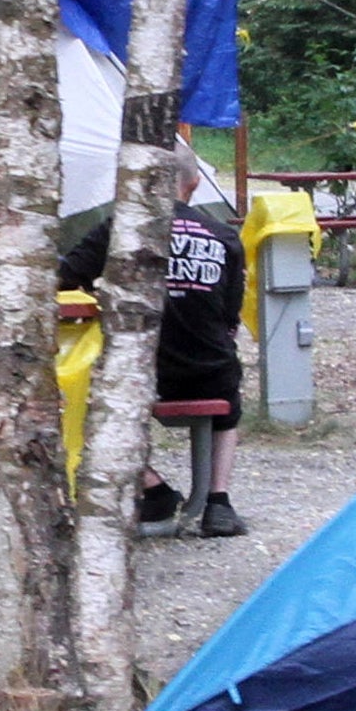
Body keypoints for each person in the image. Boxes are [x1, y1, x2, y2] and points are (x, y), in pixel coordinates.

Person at [56, 161, 249, 537]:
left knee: (83, 395)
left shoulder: (121, 229)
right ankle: (218, 501)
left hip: (142, 368)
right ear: (193, 184)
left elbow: (65, 275)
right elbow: (229, 318)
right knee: (228, 398)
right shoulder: (223, 234)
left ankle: (153, 486)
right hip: (210, 369)